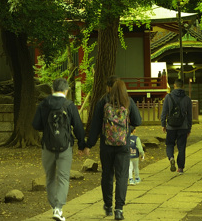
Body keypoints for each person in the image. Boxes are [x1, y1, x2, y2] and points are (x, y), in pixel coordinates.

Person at [31, 78, 88, 221]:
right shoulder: (69, 105)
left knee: (50, 177)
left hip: (47, 146)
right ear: (66, 90)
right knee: (63, 177)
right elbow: (78, 127)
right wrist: (82, 145)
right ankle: (58, 208)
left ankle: (53, 207)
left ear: (52, 90)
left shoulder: (44, 104)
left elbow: (36, 124)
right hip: (65, 146)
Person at [86, 76, 142, 220]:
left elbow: (95, 126)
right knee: (122, 176)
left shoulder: (103, 102)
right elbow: (138, 120)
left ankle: (108, 206)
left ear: (109, 87)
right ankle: (119, 209)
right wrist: (128, 130)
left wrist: (89, 144)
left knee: (107, 174)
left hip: (106, 145)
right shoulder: (128, 101)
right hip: (123, 145)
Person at [160, 78, 193, 173]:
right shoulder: (187, 99)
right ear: (183, 86)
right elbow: (190, 115)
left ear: (174, 86)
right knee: (181, 147)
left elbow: (164, 112)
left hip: (171, 126)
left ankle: (171, 158)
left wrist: (163, 124)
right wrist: (189, 128)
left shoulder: (168, 97)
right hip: (183, 126)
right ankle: (180, 168)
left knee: (170, 144)